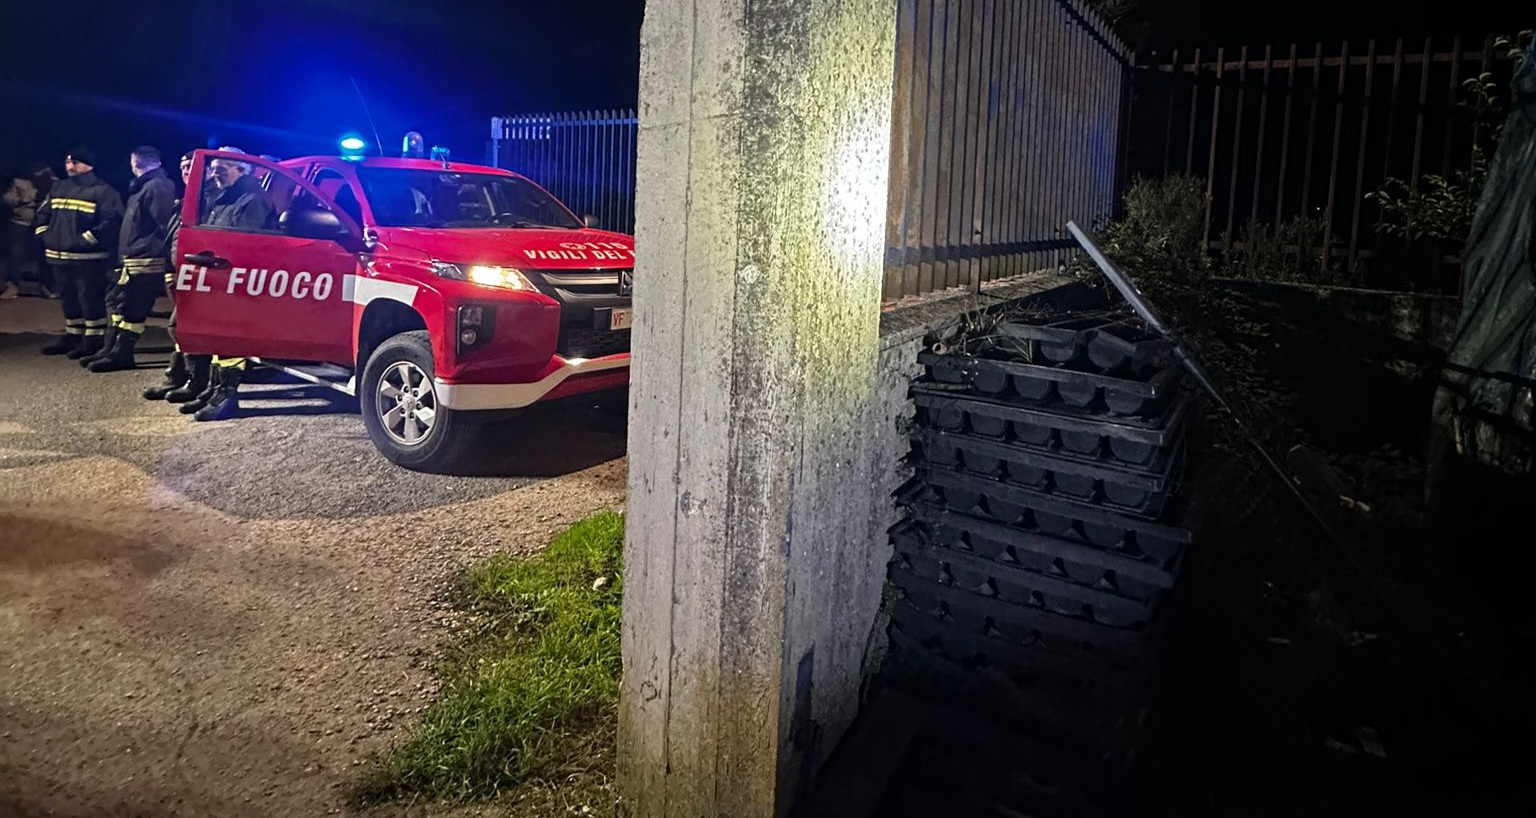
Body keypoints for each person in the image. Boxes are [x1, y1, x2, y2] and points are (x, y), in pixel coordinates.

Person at [179, 148, 275, 422]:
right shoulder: (228, 196)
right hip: (217, 275)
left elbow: (243, 245)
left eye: (223, 168)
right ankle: (214, 389)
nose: (216, 174)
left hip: (236, 278)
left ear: (241, 169)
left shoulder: (253, 199)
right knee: (215, 337)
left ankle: (227, 397)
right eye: (215, 168)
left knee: (230, 340)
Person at [86, 146, 177, 372]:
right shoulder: (147, 186)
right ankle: (112, 348)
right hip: (134, 258)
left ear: (135, 163)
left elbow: (165, 224)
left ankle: (122, 354)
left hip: (145, 261)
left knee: (133, 308)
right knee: (119, 304)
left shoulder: (156, 187)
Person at [33, 148, 123, 358]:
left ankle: (94, 338)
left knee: (89, 298)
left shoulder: (103, 191)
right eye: (67, 163)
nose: (70, 167)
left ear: (88, 165)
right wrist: (45, 235)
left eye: (75, 163)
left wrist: (85, 240)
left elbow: (111, 221)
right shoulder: (59, 186)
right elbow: (43, 214)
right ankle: (73, 335)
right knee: (68, 298)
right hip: (58, 256)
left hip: (88, 258)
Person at [145, 152, 199, 400]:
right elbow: (172, 240)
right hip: (181, 274)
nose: (187, 170)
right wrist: (169, 271)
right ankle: (179, 376)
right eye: (183, 166)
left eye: (192, 166)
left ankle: (192, 379)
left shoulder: (206, 200)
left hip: (203, 275)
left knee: (181, 326)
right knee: (182, 327)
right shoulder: (186, 200)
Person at [1, 167, 40, 299]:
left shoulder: (52, 181)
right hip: (20, 222)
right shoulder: (19, 182)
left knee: (45, 257)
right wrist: (24, 199)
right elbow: (7, 199)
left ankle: (47, 287)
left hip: (42, 224)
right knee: (16, 255)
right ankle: (12, 285)